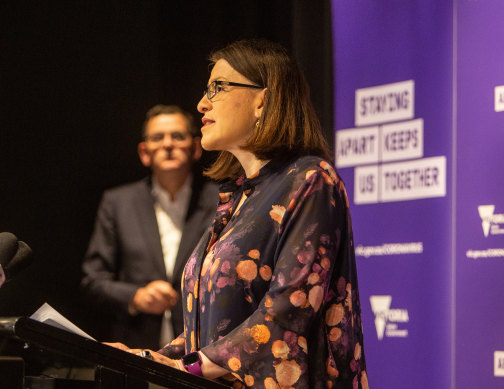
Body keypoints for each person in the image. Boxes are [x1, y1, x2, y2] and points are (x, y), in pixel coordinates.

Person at [108, 40, 368, 389]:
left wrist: (190, 368)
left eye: (218, 88)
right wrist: (147, 358)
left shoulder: (311, 180)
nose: (202, 103)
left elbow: (288, 312)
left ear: (262, 99)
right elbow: (213, 328)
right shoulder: (238, 196)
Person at [81, 105, 219, 351]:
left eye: (177, 136)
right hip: (135, 351)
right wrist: (136, 297)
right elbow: (93, 281)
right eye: (157, 137)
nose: (168, 144)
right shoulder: (118, 202)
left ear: (196, 147)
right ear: (144, 152)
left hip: (202, 351)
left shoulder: (221, 201)